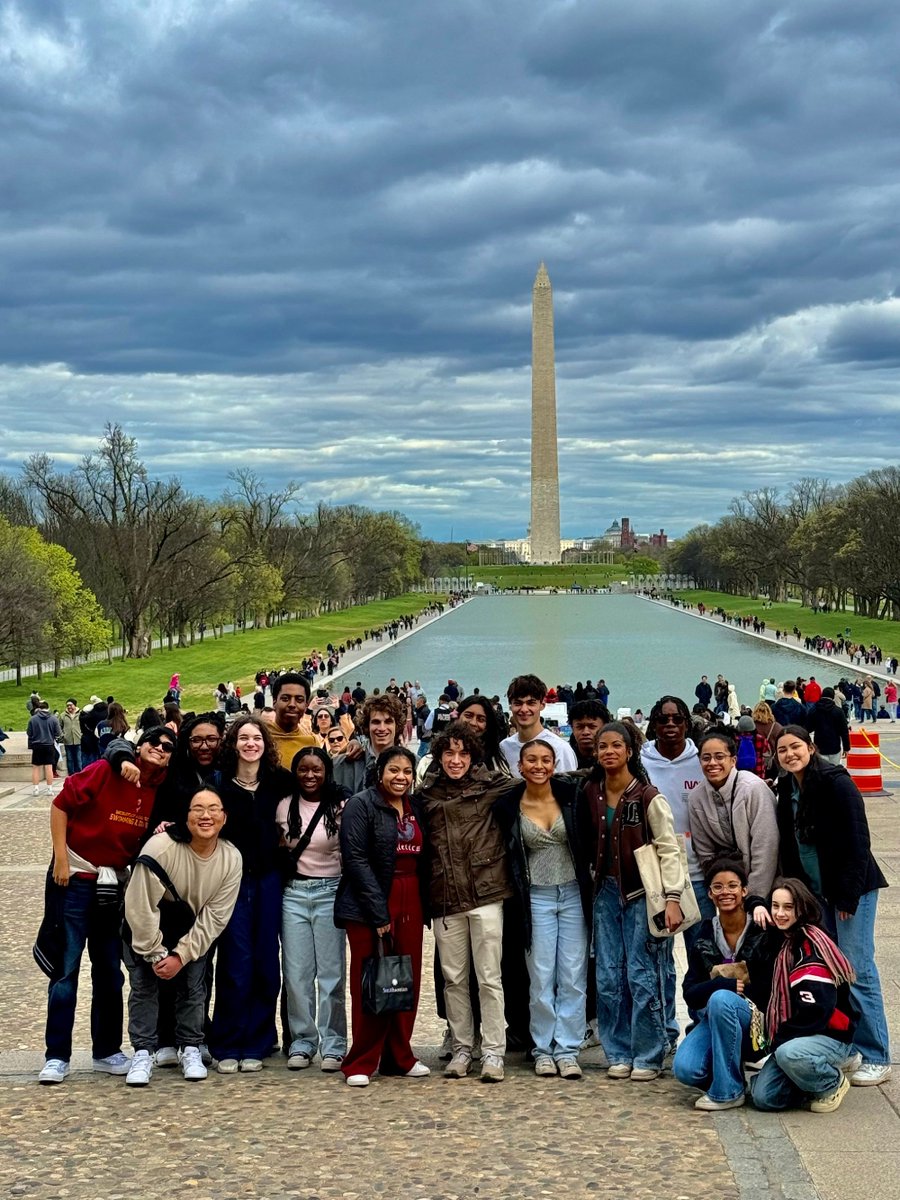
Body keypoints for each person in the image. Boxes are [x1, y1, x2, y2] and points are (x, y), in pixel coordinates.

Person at [38, 727, 175, 1085]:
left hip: (114, 884)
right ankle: (57, 1055)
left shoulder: (159, 787)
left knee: (110, 971)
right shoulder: (108, 769)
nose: (160, 750)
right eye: (154, 743)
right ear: (139, 746)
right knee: (66, 970)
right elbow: (60, 806)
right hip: (76, 878)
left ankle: (106, 1050)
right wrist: (61, 860)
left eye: (167, 747)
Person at [773, 725, 890, 1085]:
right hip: (817, 895)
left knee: (857, 967)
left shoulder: (836, 782)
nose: (790, 754)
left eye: (796, 747)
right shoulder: (787, 789)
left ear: (810, 747)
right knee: (830, 969)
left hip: (851, 890)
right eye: (782, 750)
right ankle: (848, 1044)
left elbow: (858, 840)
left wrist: (848, 897)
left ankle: (877, 1054)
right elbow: (790, 847)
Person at [581, 721, 685, 1081]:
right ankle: (617, 1049)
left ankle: (649, 1051)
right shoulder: (591, 791)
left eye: (616, 746)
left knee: (642, 974)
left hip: (643, 893)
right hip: (605, 892)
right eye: (602, 747)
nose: (609, 752)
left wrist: (673, 898)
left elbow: (669, 849)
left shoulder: (647, 795)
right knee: (608, 975)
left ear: (629, 751)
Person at [122, 786, 242, 1086]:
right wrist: (156, 953)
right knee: (144, 988)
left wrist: (181, 954)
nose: (206, 815)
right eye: (197, 808)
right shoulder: (160, 848)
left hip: (191, 930)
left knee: (193, 987)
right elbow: (139, 906)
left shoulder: (231, 857)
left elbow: (216, 915)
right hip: (145, 929)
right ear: (185, 817)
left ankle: (190, 1046)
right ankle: (143, 1052)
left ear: (224, 817)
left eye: (214, 808)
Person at [419, 722, 513, 1082]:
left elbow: (540, 783)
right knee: (453, 978)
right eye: (449, 753)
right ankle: (462, 1047)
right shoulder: (426, 795)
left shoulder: (491, 786)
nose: (455, 760)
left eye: (463, 753)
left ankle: (493, 1051)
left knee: (489, 977)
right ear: (439, 756)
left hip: (485, 892)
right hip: (445, 897)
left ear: (473, 756)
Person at [493, 738, 591, 1079]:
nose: (538, 766)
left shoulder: (571, 796)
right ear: (520, 766)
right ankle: (542, 1048)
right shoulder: (508, 804)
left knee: (573, 975)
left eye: (545, 760)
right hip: (536, 897)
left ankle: (568, 1048)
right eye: (531, 760)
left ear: (554, 764)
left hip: (573, 894)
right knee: (540, 975)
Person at [334, 746, 431, 1088]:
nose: (401, 777)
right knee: (372, 980)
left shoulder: (415, 806)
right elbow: (356, 860)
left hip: (411, 895)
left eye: (407, 771)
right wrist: (378, 912)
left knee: (405, 978)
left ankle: (399, 1056)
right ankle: (361, 1059)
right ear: (380, 772)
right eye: (394, 770)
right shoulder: (362, 805)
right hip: (369, 900)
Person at [209, 716, 293, 1073]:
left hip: (269, 879)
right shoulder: (219, 786)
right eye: (243, 737)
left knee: (265, 960)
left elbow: (317, 783)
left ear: (265, 743)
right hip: (232, 882)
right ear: (233, 744)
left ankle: (259, 1039)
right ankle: (228, 1040)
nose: (250, 743)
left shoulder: (278, 781)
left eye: (256, 737)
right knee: (234, 961)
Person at [673, 860, 779, 1110]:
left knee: (721, 1000)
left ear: (744, 890)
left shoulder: (762, 929)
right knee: (685, 1069)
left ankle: (728, 1092)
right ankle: (733, 1074)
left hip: (756, 1021)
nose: (725, 892)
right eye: (717, 887)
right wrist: (723, 984)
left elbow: (770, 987)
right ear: (709, 893)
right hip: (715, 1019)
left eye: (733, 885)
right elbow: (690, 993)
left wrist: (726, 992)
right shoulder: (705, 933)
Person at [749, 878, 860, 1113]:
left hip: (829, 1035)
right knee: (764, 1098)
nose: (779, 913)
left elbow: (815, 1014)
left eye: (788, 907)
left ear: (802, 909)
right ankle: (804, 1079)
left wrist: (778, 1040)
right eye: (775, 906)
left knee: (788, 1054)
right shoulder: (778, 940)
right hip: (798, 1036)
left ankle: (831, 1082)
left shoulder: (811, 946)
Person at [277, 748, 350, 1073]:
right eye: (304, 770)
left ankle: (334, 1043)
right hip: (293, 893)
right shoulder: (284, 805)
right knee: (296, 975)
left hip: (329, 891)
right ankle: (302, 1041)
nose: (310, 776)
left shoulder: (339, 805)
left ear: (326, 772)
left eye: (316, 770)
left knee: (332, 974)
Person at [642, 695, 707, 1049]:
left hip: (697, 876)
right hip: (654, 878)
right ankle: (662, 1027)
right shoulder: (641, 762)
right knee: (657, 959)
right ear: (653, 724)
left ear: (686, 724)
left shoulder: (701, 760)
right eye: (663, 719)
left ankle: (700, 1023)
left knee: (700, 956)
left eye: (677, 719)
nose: (670, 725)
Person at [688, 728, 779, 919]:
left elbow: (766, 847)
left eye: (719, 757)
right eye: (706, 758)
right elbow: (705, 852)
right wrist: (725, 891)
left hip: (765, 887)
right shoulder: (696, 797)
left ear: (733, 760)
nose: (712, 763)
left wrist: (754, 898)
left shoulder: (753, 790)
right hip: (728, 891)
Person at [499, 674, 578, 777]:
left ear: (542, 705)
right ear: (510, 706)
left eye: (531, 703)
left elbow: (568, 790)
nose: (524, 709)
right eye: (518, 703)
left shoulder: (560, 749)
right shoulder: (504, 747)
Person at [332, 693, 405, 793]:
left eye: (388, 722)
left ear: (397, 726)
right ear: (367, 726)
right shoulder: (341, 764)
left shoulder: (413, 764)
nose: (382, 728)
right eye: (376, 722)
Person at [268, 673, 318, 769]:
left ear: (306, 705)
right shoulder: (258, 738)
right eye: (285, 699)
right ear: (274, 702)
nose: (292, 704)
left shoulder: (312, 742)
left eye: (299, 700)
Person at [806, 687, 851, 765]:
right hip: (834, 747)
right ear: (833, 697)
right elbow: (844, 731)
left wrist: (809, 744)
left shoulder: (814, 710)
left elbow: (807, 729)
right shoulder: (838, 711)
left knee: (821, 772)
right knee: (834, 771)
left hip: (819, 746)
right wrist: (846, 748)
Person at [28, 701, 62, 795]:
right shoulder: (53, 719)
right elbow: (58, 733)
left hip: (37, 745)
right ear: (48, 707)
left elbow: (29, 733)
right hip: (49, 745)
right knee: (49, 767)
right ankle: (49, 789)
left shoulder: (33, 719)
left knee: (35, 767)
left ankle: (35, 789)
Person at [568, 698, 611, 769]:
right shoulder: (565, 757)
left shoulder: (613, 758)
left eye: (592, 727)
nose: (585, 732)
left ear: (604, 727)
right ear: (572, 728)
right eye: (580, 727)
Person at [60, 699, 82, 777]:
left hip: (78, 740)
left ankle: (79, 774)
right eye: (67, 705)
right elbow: (60, 727)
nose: (69, 707)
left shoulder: (80, 714)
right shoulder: (63, 715)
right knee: (69, 759)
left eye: (71, 705)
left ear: (75, 705)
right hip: (68, 740)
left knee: (78, 758)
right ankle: (71, 775)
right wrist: (63, 735)